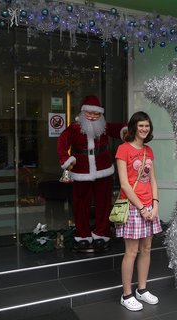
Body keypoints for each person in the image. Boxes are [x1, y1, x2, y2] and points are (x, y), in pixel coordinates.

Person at [57, 95, 127, 253]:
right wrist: (66, 159)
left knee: (103, 203)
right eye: (89, 113)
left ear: (101, 115)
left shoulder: (104, 126)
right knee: (81, 204)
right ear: (83, 112)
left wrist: (125, 131)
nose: (93, 116)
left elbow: (119, 129)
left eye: (96, 114)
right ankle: (82, 235)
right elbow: (62, 142)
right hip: (81, 170)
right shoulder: (74, 128)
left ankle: (102, 233)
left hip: (103, 169)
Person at [114, 111, 162, 311]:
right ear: (134, 127)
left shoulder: (149, 151)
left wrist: (156, 204)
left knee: (147, 249)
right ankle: (126, 295)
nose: (144, 129)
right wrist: (142, 207)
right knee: (131, 251)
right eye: (141, 125)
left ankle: (142, 290)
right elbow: (124, 184)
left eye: (147, 126)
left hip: (149, 206)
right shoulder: (123, 149)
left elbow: (152, 180)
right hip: (133, 206)